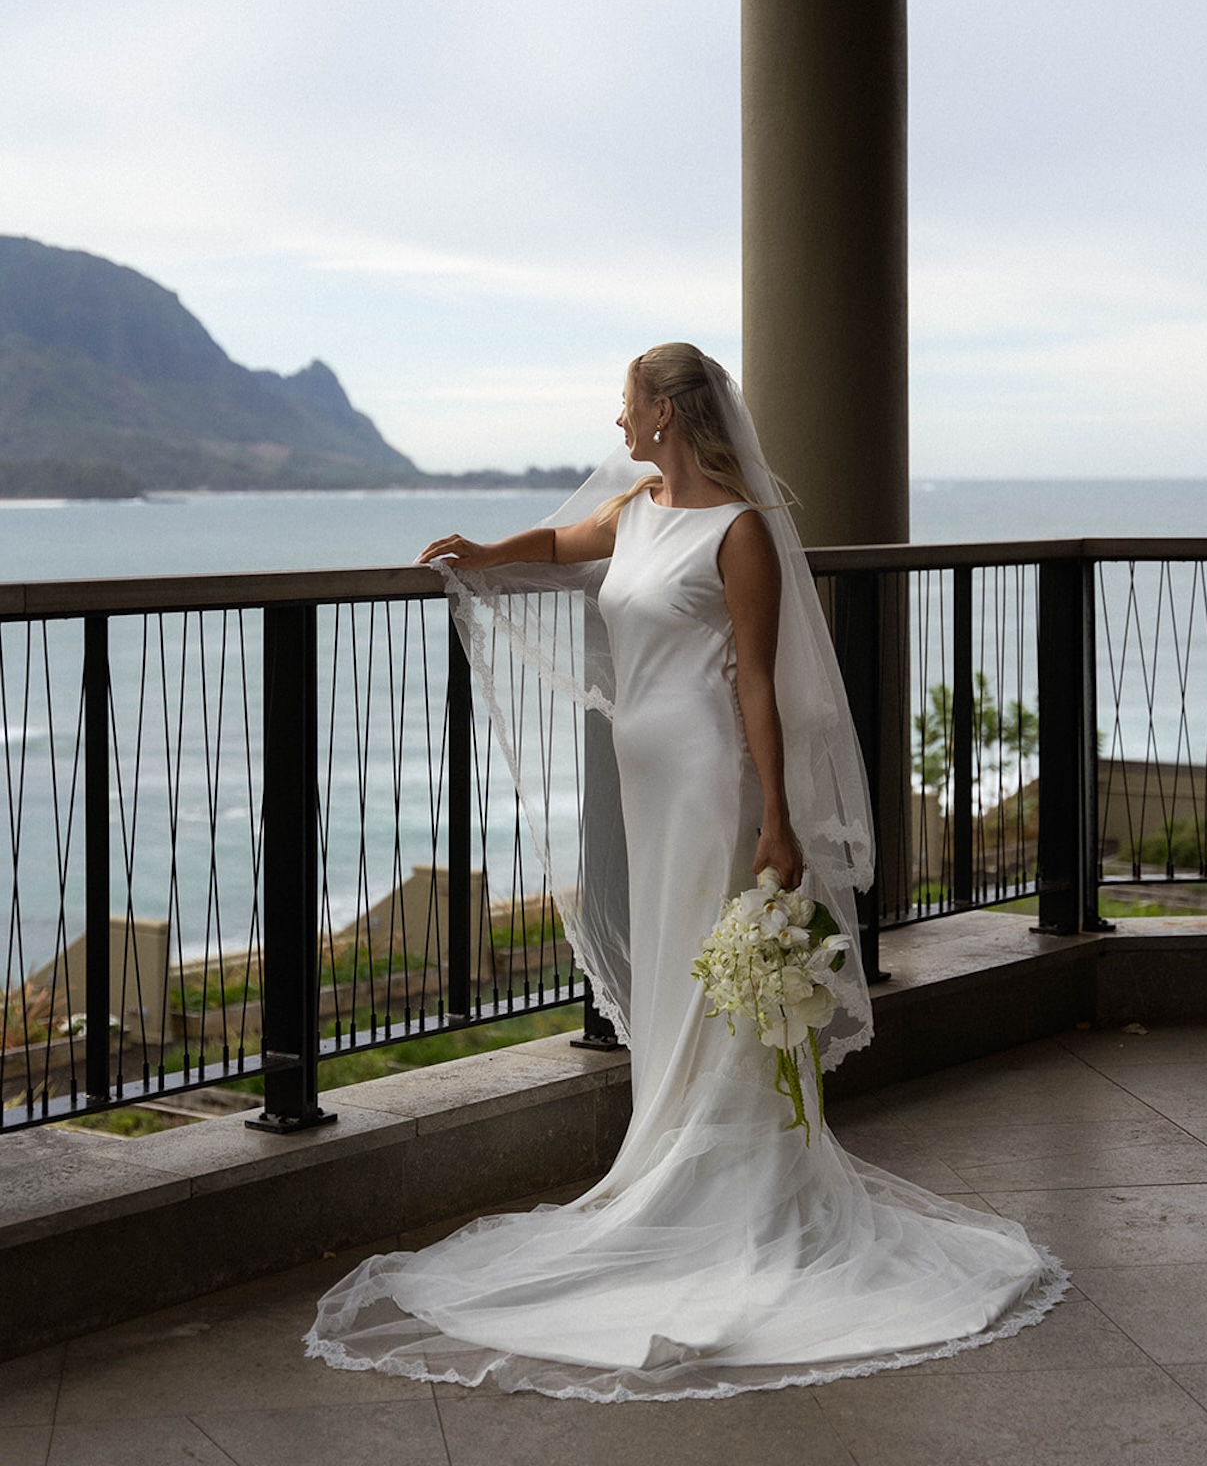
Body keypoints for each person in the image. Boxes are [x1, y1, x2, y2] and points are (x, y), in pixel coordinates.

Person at [306, 344, 1066, 1399]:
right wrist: (480, 553)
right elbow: (560, 541)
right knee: (673, 970)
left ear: (665, 411)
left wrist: (779, 821)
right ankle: (670, 1157)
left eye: (625, 405)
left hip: (713, 784)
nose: (615, 422)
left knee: (721, 981)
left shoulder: (739, 531)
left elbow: (758, 681)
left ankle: (734, 1184)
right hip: (644, 786)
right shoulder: (632, 510)